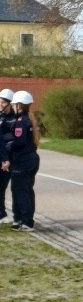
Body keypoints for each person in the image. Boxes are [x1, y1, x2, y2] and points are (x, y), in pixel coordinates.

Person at [3, 91, 41, 232]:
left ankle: (26, 221)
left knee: (21, 192)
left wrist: (7, 145)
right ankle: (19, 219)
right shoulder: (26, 119)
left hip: (22, 161)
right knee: (23, 191)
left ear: (19, 105)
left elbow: (18, 142)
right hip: (29, 159)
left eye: (14, 104)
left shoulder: (21, 122)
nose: (12, 106)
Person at [0, 88, 14, 223]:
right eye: (0, 101)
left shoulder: (13, 118)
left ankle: (2, 214)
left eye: (4, 102)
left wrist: (6, 159)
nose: (1, 104)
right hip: (3, 156)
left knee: (2, 186)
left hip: (8, 157)